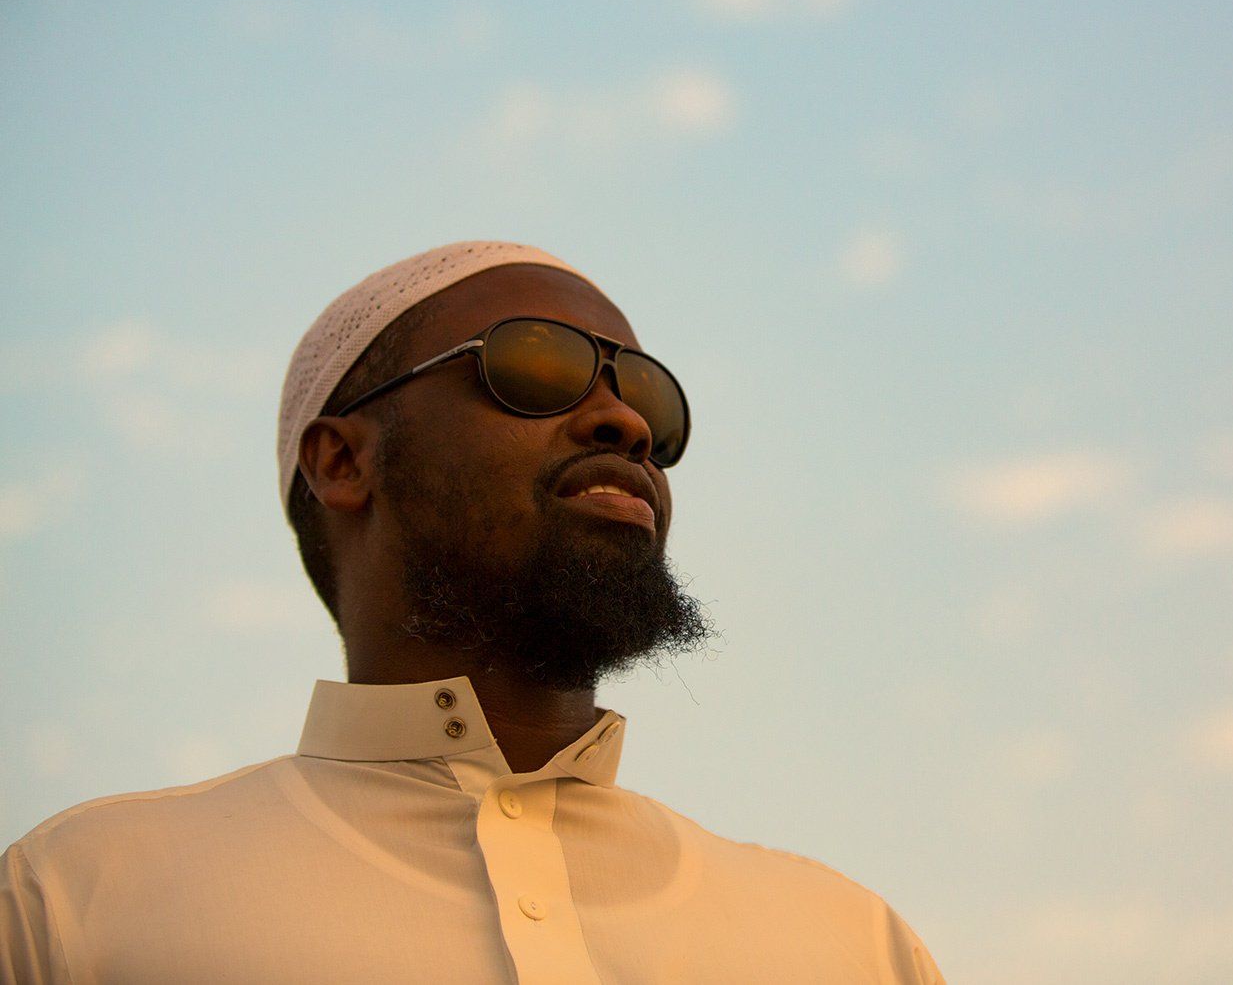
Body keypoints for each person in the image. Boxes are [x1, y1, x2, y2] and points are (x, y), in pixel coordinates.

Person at [1, 240, 945, 984]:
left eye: (646, 394)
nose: (625, 422)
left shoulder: (850, 945)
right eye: (538, 365)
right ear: (342, 460)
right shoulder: (80, 905)